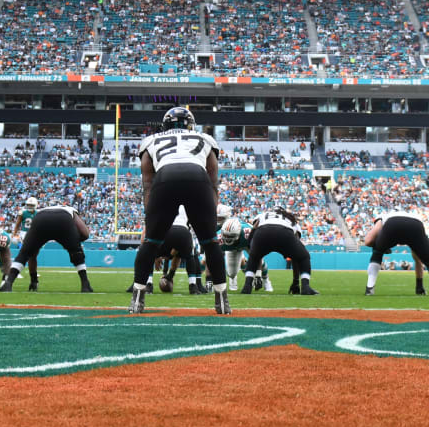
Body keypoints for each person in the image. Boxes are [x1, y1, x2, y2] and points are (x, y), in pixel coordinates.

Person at [128, 106, 229, 314]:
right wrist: (211, 211)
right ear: (190, 124)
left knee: (150, 244)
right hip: (197, 177)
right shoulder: (205, 139)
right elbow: (213, 180)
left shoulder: (151, 141)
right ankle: (222, 300)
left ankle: (137, 299)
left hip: (165, 178)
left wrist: (151, 217)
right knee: (210, 243)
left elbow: (147, 183)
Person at [0, 204, 94, 293]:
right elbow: (85, 233)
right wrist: (74, 243)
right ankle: (85, 284)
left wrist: (33, 280)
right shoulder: (70, 210)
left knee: (25, 253)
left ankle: (9, 283)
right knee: (76, 252)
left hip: (41, 219)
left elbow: (33, 257)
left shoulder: (41, 211)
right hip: (63, 220)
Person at [363, 210, 429, 297]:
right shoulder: (412, 216)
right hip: (415, 225)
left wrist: (381, 248)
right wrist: (419, 286)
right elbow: (417, 260)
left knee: (377, 253)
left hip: (393, 224)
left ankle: (369, 288)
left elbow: (368, 241)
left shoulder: (382, 217)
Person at [240, 208, 317, 295]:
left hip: (263, 232)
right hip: (284, 233)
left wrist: (251, 245)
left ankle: (247, 286)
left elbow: (254, 228)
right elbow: (296, 258)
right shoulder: (290, 219)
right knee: (304, 257)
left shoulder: (263, 215)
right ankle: (305, 287)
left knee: (254, 257)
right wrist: (296, 282)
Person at [219, 216, 272, 292]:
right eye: (225, 235)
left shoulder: (247, 233)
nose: (227, 238)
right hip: (233, 248)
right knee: (231, 274)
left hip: (246, 244)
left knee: (259, 262)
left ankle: (266, 280)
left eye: (231, 236)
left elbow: (257, 255)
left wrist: (258, 275)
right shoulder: (219, 238)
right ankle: (244, 262)